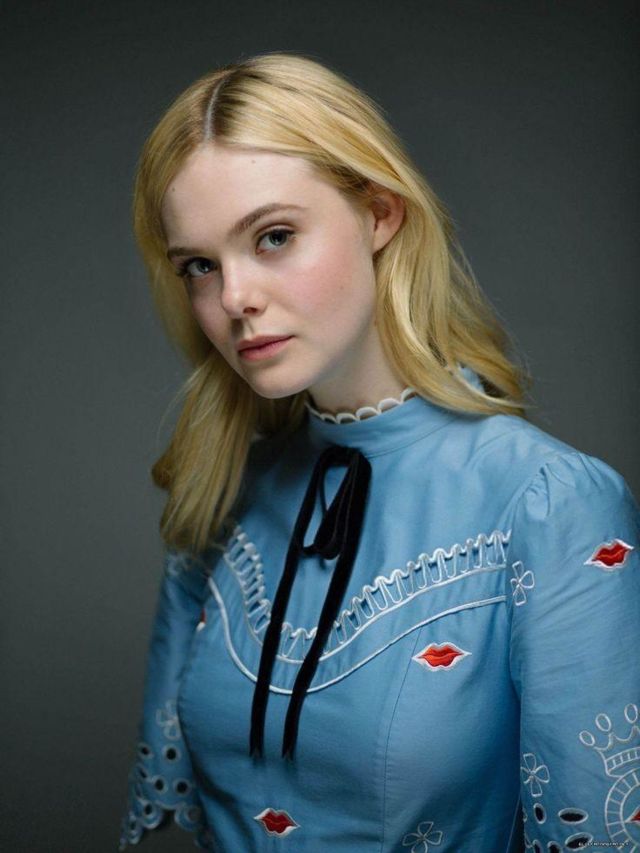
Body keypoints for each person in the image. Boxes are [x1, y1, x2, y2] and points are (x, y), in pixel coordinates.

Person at [118, 52, 640, 853]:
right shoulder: (219, 494)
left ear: (380, 213)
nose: (235, 298)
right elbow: (170, 820)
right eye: (200, 265)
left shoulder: (548, 503)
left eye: (274, 236)